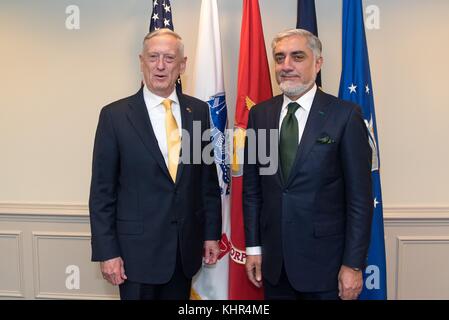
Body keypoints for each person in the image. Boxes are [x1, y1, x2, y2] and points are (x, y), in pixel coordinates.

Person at [89, 29, 222, 300]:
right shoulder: (114, 116)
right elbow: (102, 192)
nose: (160, 66)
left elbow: (207, 183)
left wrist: (211, 235)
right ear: (142, 61)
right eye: (153, 57)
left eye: (169, 58)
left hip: (183, 253)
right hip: (134, 257)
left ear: (182, 65)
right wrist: (107, 252)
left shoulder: (198, 112)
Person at [243, 29, 373, 300]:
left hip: (326, 268)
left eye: (297, 56)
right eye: (279, 58)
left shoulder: (345, 116)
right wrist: (254, 247)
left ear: (318, 63)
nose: (286, 65)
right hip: (275, 267)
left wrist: (353, 264)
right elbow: (253, 189)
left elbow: (359, 199)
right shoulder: (260, 115)